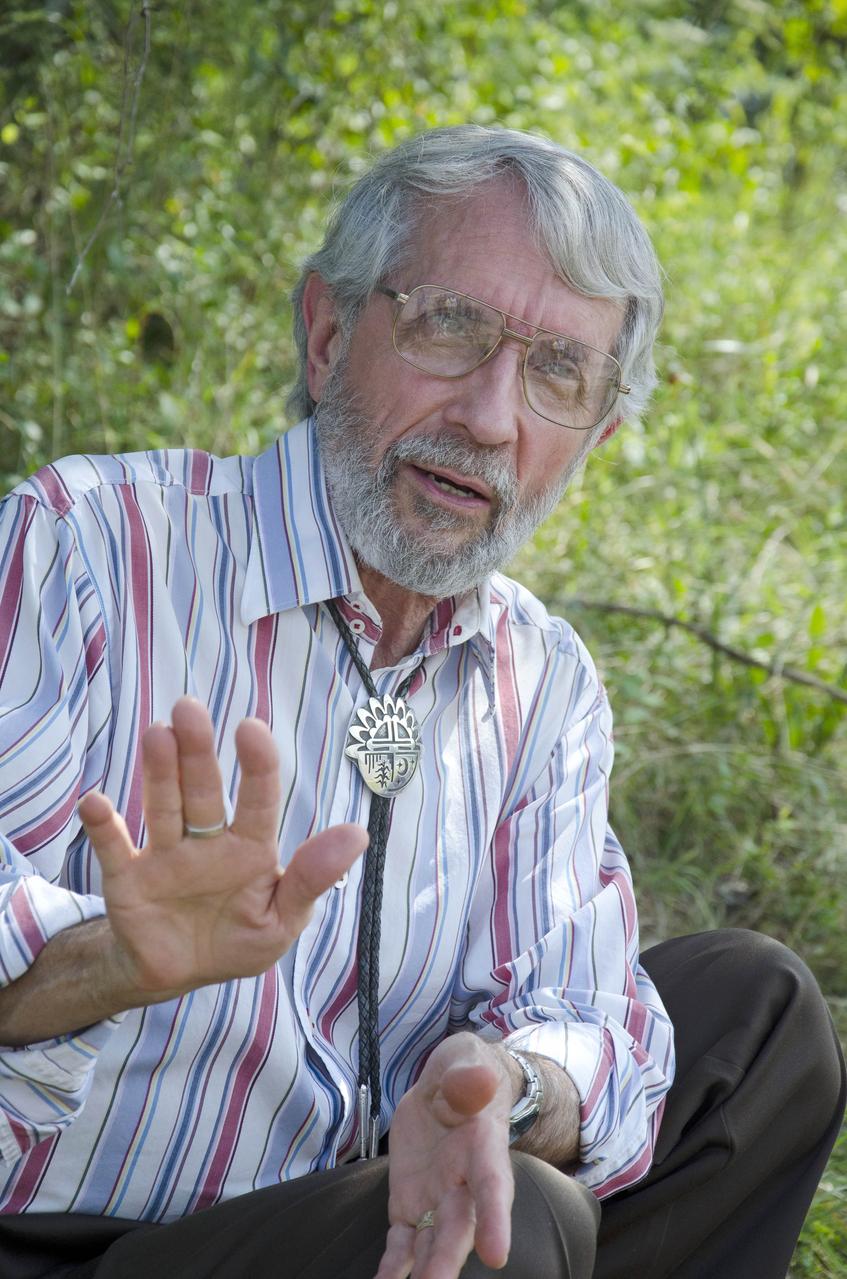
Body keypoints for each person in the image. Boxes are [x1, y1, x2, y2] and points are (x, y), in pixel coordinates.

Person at [0, 125, 842, 1279]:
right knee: (511, 1225)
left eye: (557, 372)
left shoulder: (542, 680)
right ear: (327, 332)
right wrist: (120, 961)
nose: (490, 417)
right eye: (450, 326)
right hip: (71, 1245)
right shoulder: (89, 549)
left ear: (594, 437)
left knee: (758, 1015)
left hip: (357, 1220)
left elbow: (583, 1011)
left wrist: (507, 1088)